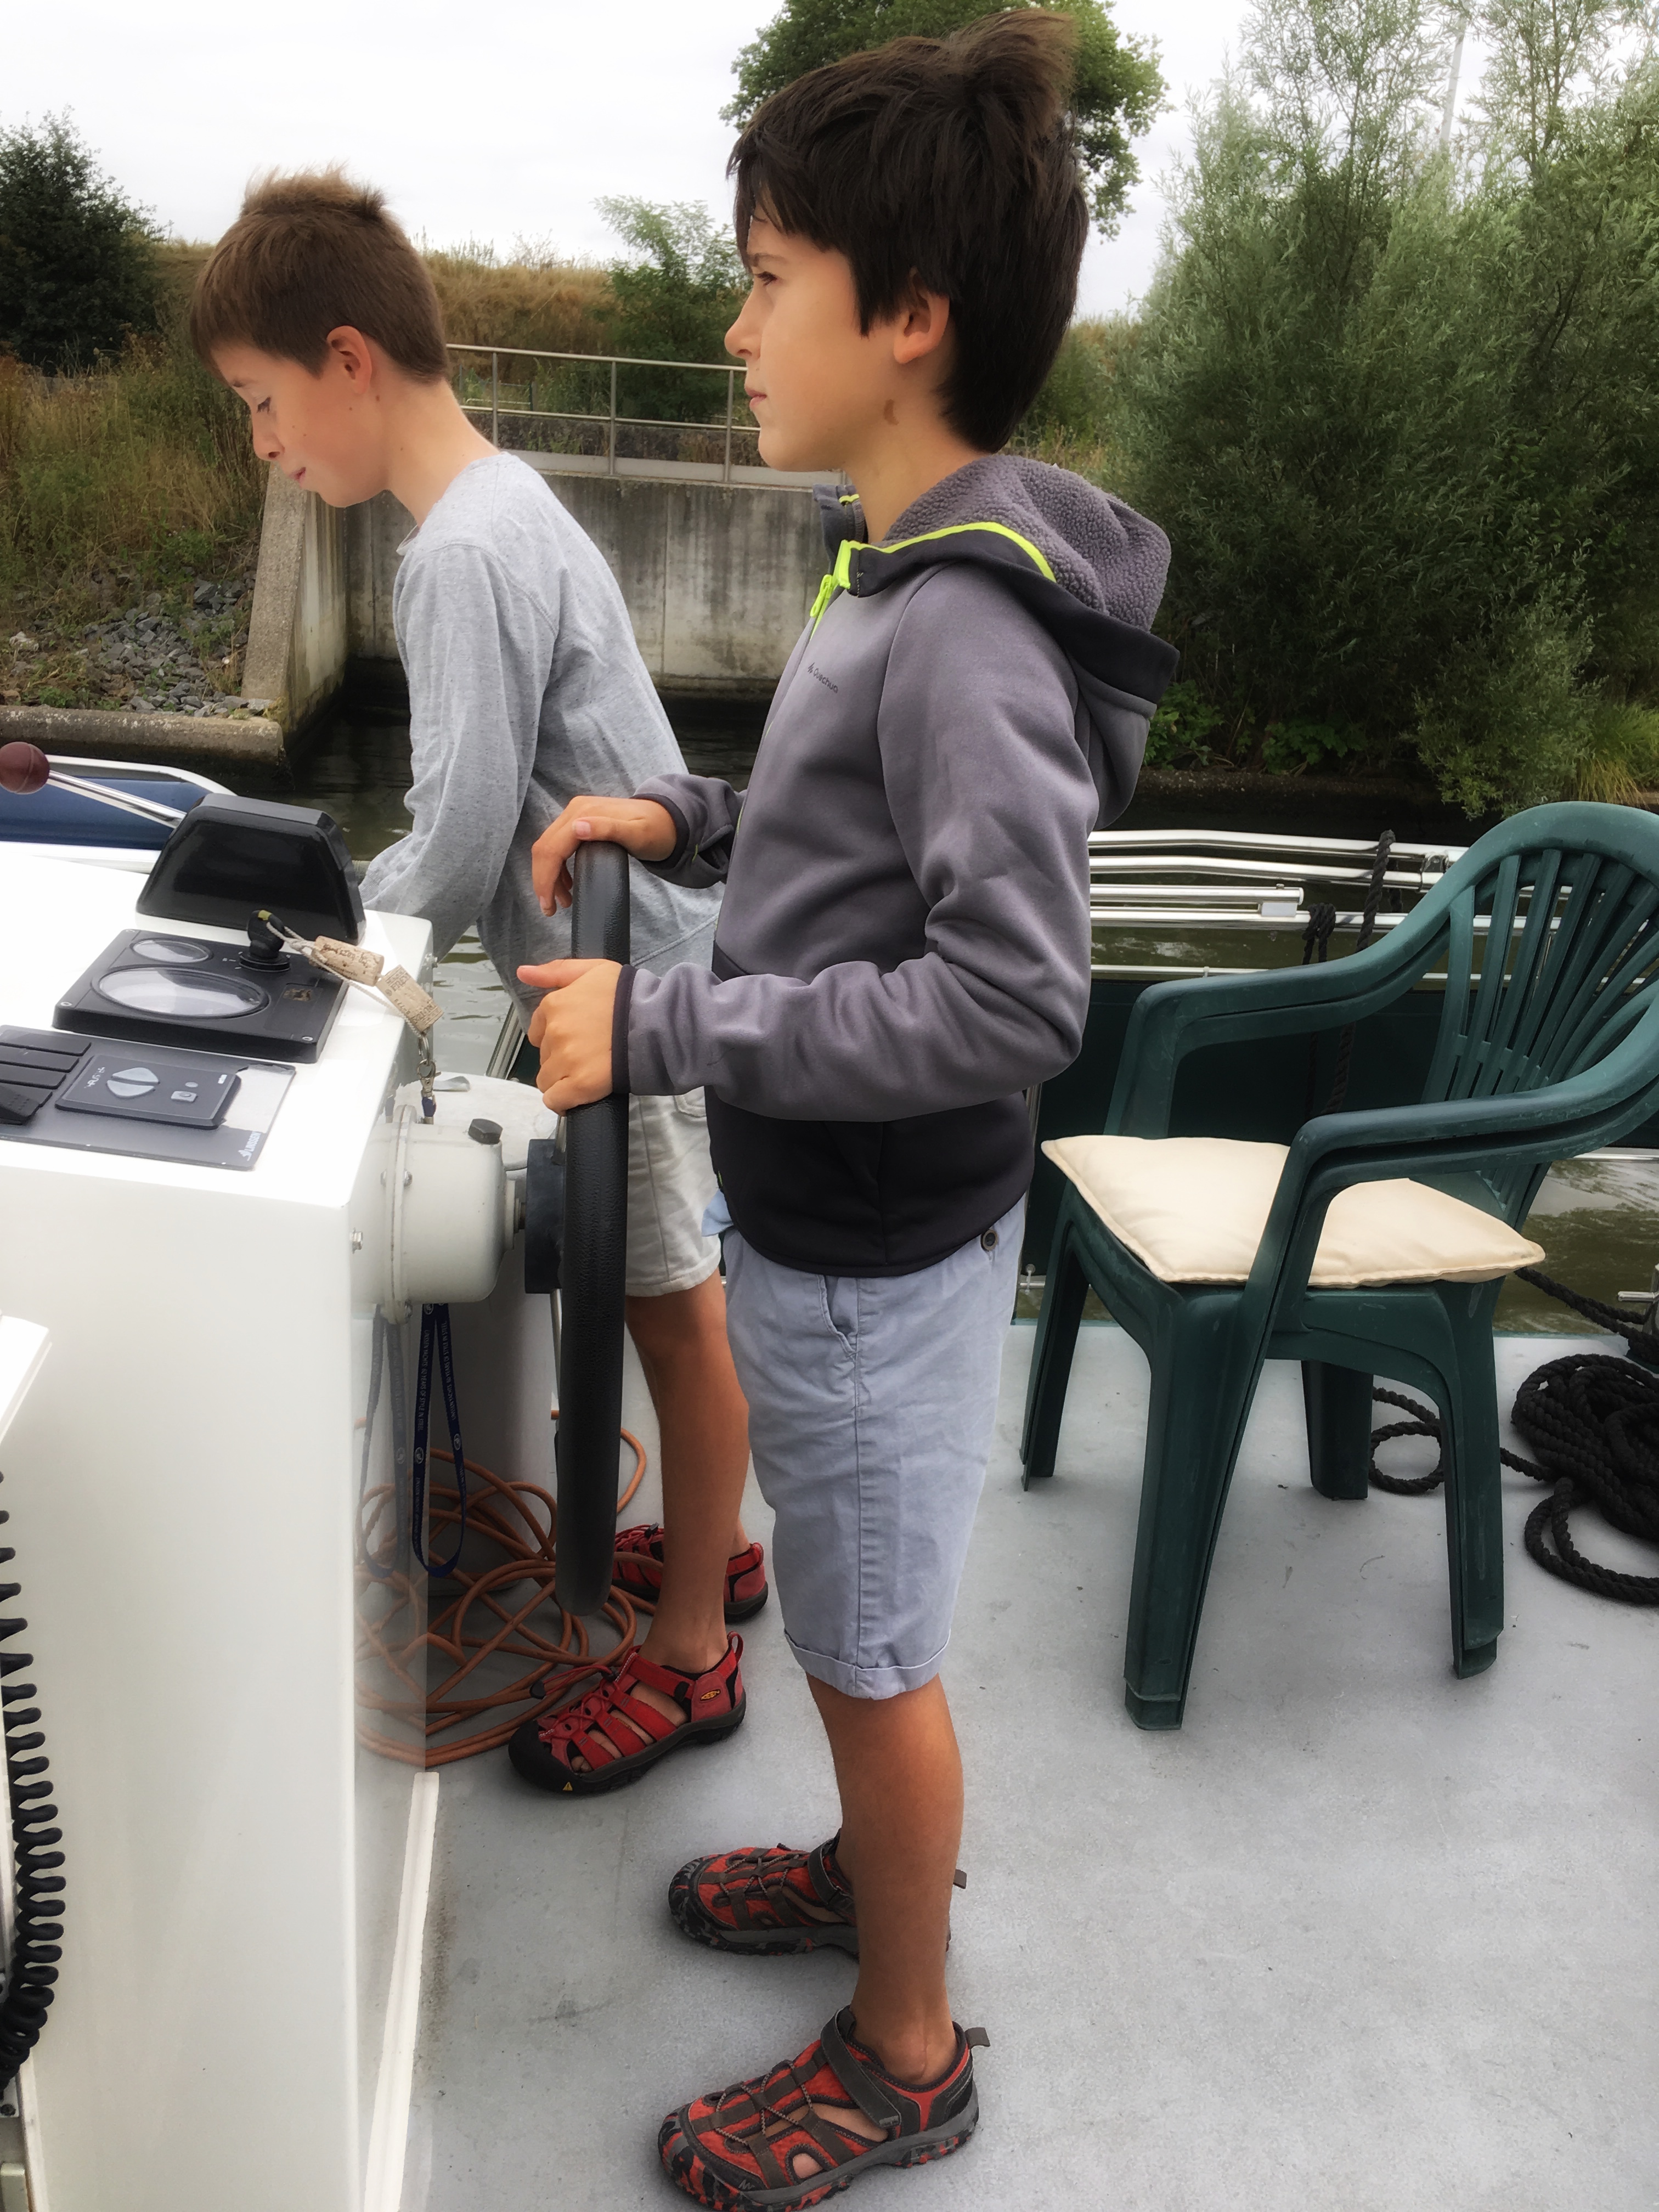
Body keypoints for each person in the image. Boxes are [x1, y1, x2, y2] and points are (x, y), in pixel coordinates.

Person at [520, 13, 1177, 2205]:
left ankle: (908, 2051)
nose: (733, 327)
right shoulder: (884, 559)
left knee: (876, 1655)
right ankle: (856, 1870)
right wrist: (685, 814)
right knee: (841, 1609)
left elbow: (1015, 995)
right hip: (833, 1232)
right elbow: (835, 829)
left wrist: (672, 1028)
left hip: (881, 1252)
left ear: (907, 319)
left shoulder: (964, 629)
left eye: (766, 280)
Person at [189, 174, 763, 1784]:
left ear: (348, 358)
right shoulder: (510, 503)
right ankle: (714, 1549)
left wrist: (325, 950)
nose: (265, 445)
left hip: (632, 998)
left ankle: (694, 1650)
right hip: (649, 965)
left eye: (263, 401)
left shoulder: (455, 557)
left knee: (675, 1317)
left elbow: (451, 836)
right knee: (674, 1302)